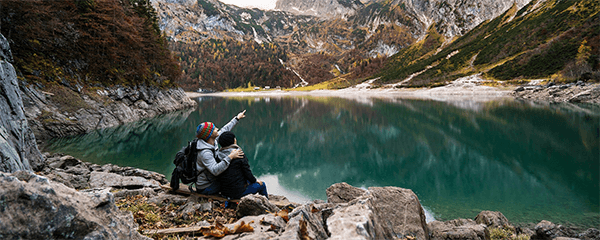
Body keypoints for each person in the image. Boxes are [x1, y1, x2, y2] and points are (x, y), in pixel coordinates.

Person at [194, 110, 246, 195]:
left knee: (234, 179)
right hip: (206, 186)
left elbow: (225, 129)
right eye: (214, 129)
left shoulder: (212, 141)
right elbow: (215, 170)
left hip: (212, 179)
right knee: (233, 184)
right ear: (209, 134)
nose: (217, 129)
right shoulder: (205, 153)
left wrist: (237, 118)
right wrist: (230, 156)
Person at [216, 131, 268, 199]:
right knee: (262, 185)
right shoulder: (239, 154)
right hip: (238, 193)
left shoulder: (218, 155)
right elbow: (247, 172)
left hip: (224, 191)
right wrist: (255, 180)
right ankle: (267, 206)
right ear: (234, 140)